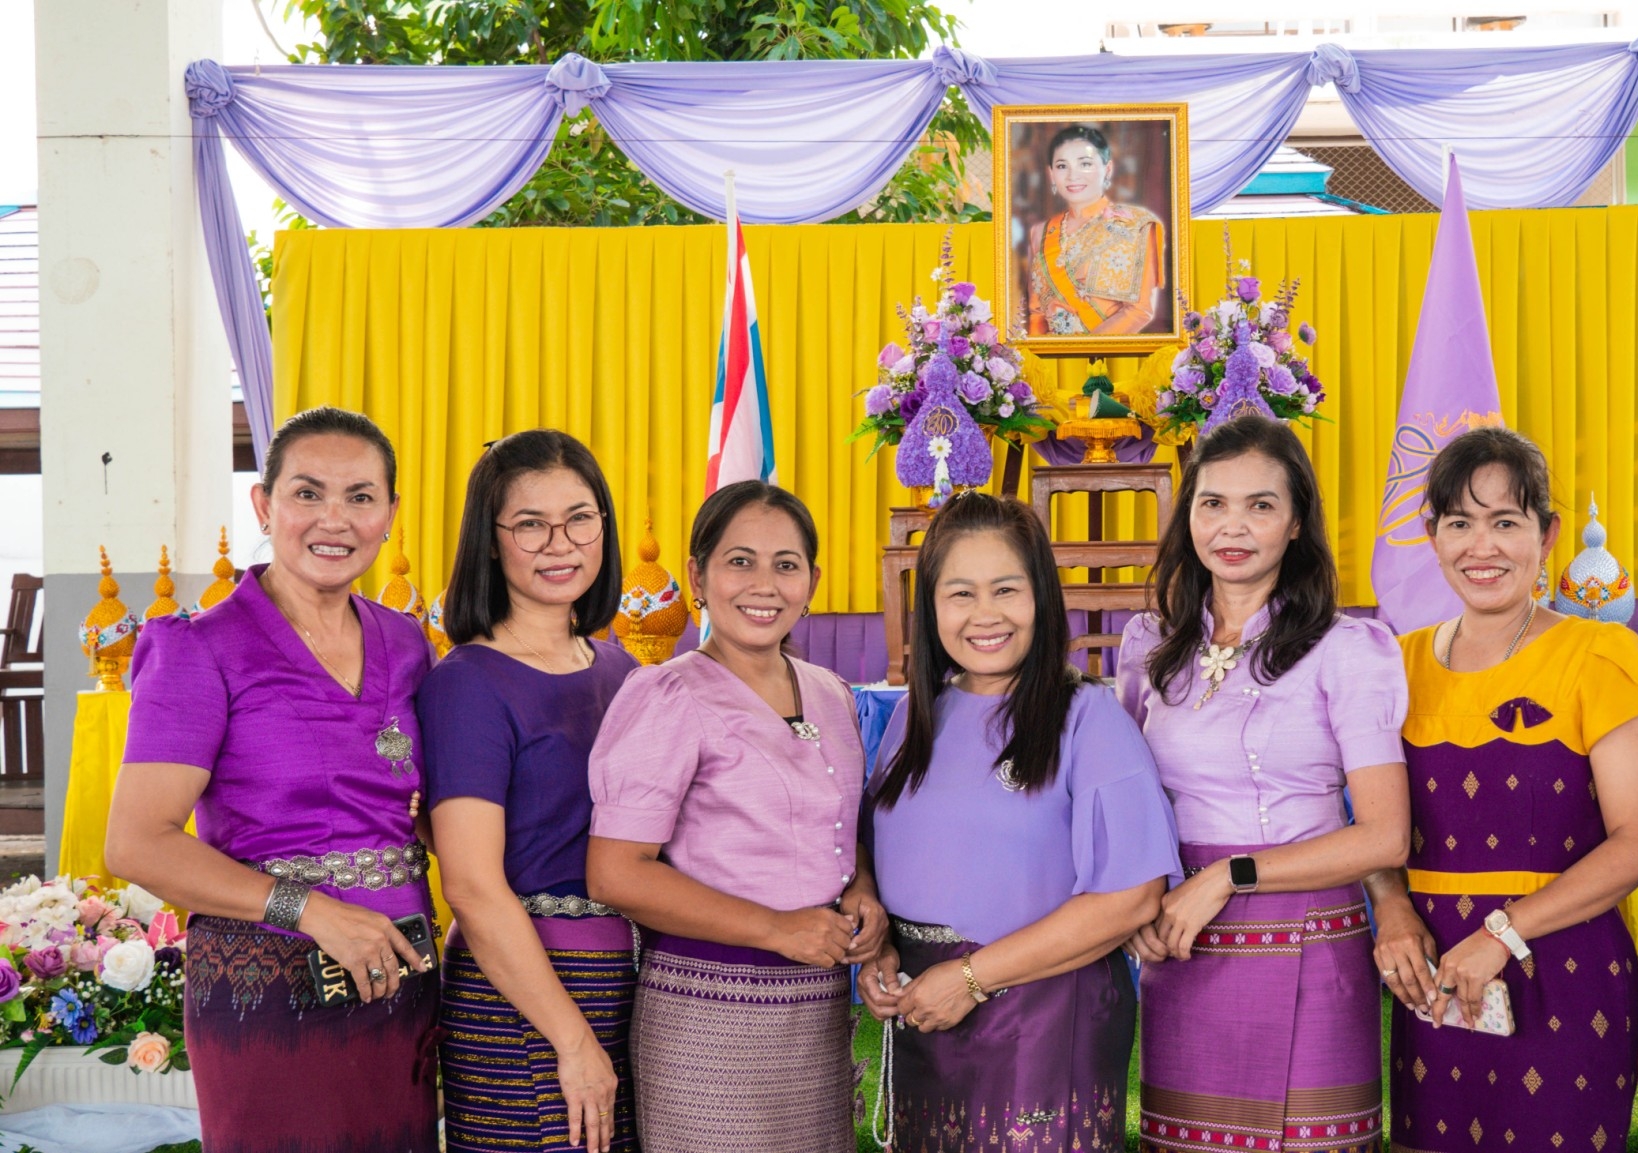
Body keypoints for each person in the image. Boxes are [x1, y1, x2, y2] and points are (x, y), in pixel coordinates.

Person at [105, 406, 438, 1152]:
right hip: (267, 988)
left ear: (390, 514)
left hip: (402, 982)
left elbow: (424, 803)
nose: (334, 518)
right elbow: (136, 843)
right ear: (264, 504)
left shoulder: (407, 643)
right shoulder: (201, 648)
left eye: (360, 496)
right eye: (307, 492)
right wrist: (310, 909)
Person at [1364, 426, 1638, 1153]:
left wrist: (1501, 934)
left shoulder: (1600, 654)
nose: (1483, 547)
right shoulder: (1394, 664)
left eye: (1506, 522)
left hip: (1567, 976)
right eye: (1460, 524)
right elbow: (1363, 819)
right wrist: (1391, 903)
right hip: (1434, 982)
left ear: (1548, 534)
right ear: (1431, 535)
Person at [1117, 413, 1409, 1153]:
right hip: (1182, 941)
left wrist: (1228, 875)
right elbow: (1128, 804)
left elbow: (1384, 836)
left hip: (1308, 939)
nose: (1233, 526)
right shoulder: (1148, 642)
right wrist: (1139, 902)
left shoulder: (1349, 648)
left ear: (1297, 521)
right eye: (1213, 502)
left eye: (1261, 505)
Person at [861, 492, 1180, 1153]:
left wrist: (971, 978)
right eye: (961, 593)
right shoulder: (914, 714)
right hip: (925, 1008)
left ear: (1041, 596)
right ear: (930, 606)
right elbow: (876, 849)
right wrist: (882, 948)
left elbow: (1132, 895)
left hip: (1042, 1013)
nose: (986, 614)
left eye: (1006, 589)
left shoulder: (1087, 717)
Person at [585, 481, 884, 1153]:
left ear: (812, 582)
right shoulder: (667, 694)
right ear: (698, 576)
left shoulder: (832, 693)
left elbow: (839, 829)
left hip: (816, 1014)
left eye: (786, 564)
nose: (764, 584)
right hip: (707, 1011)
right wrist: (776, 927)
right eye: (740, 561)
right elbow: (615, 872)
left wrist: (861, 888)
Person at [421, 430, 637, 1153]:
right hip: (523, 996)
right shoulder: (467, 683)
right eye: (530, 524)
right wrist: (571, 1040)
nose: (560, 544)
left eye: (579, 518)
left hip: (625, 986)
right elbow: (472, 885)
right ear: (489, 541)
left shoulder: (622, 670)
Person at [1024, 124, 1166, 336]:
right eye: (1062, 166)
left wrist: (1085, 349)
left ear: (1107, 169)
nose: (1072, 176)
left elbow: (1139, 311)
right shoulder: (1039, 232)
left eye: (1085, 164)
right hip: (1051, 353)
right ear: (1051, 174)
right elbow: (1036, 313)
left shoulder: (1135, 225)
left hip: (1108, 352)